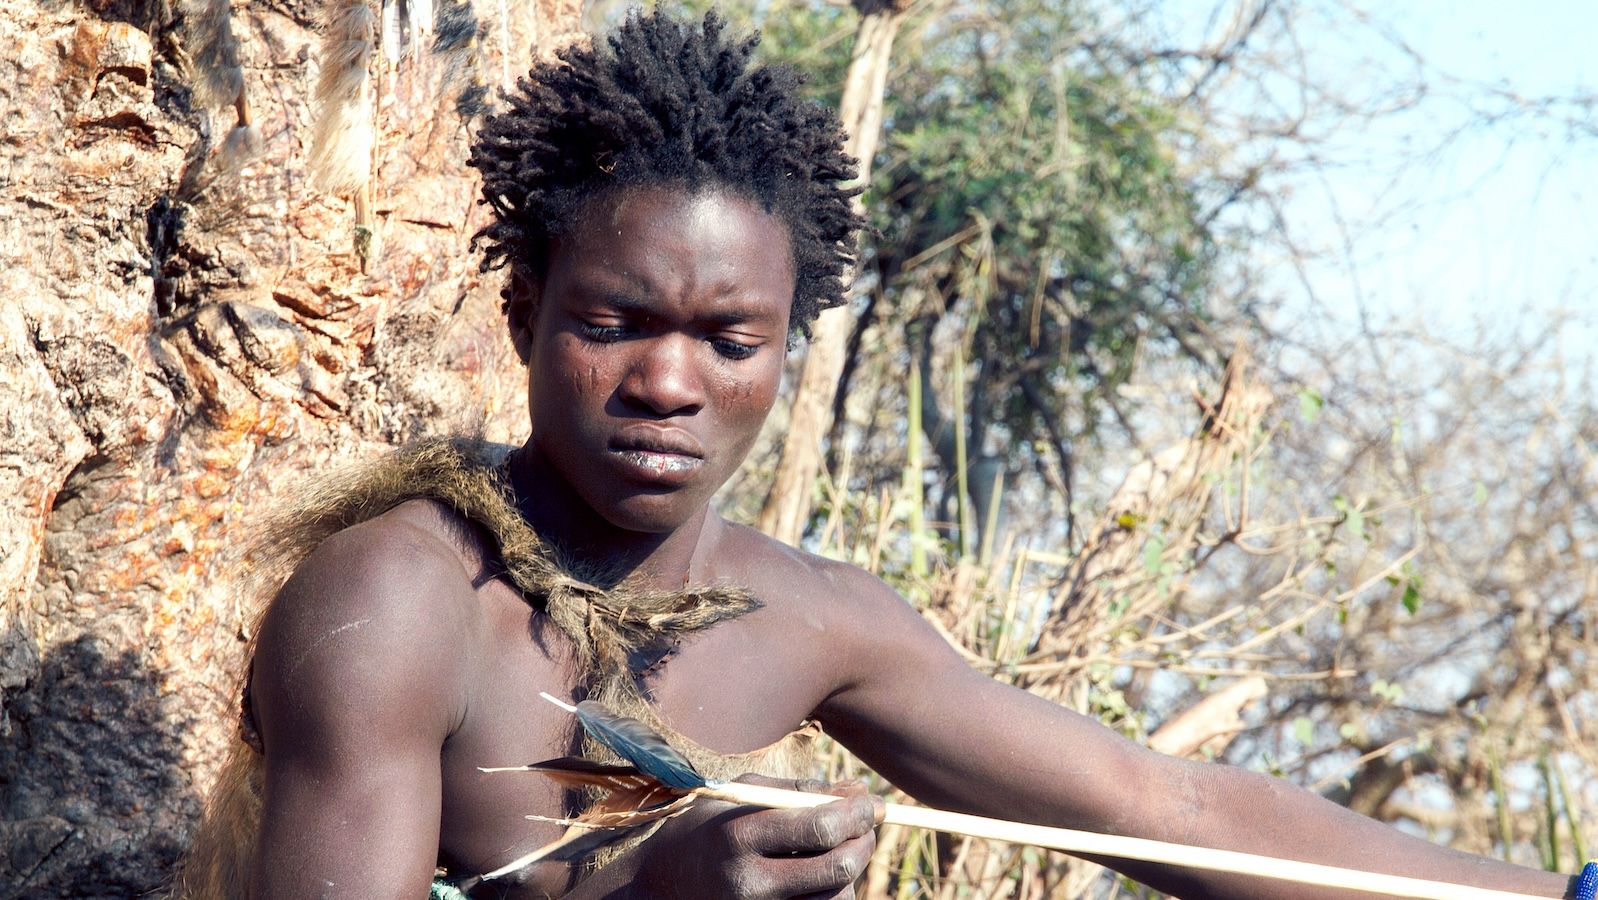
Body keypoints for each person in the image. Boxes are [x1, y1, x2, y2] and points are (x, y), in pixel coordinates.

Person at [175, 9, 1582, 900]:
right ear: (524, 314)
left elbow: (1170, 807)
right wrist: (652, 893)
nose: (667, 383)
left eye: (729, 339)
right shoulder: (401, 600)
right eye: (614, 325)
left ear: (785, 351)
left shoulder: (811, 621)